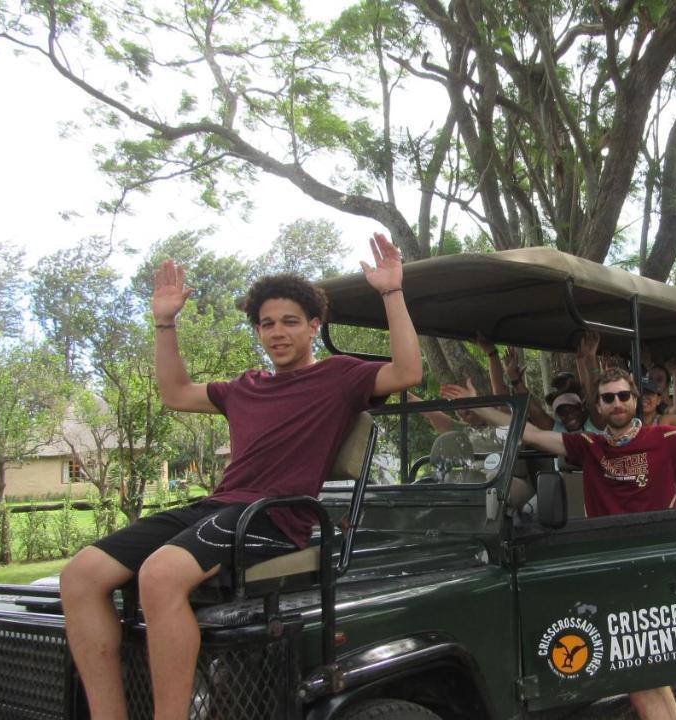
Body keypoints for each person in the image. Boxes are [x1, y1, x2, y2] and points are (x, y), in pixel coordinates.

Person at [59, 233, 422, 720]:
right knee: (80, 576)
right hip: (222, 506)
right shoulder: (244, 387)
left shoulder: (339, 377)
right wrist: (165, 322)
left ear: (314, 326)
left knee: (161, 576)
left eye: (291, 322)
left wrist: (392, 292)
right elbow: (176, 392)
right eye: (267, 323)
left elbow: (406, 373)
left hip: (274, 517)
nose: (278, 332)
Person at [443, 367, 676, 720]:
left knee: (640, 677)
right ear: (599, 406)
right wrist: (479, 406)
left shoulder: (664, 440)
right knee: (648, 675)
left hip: (656, 567)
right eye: (608, 398)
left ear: (635, 399)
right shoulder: (590, 446)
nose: (617, 403)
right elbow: (530, 434)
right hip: (609, 570)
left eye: (623, 395)